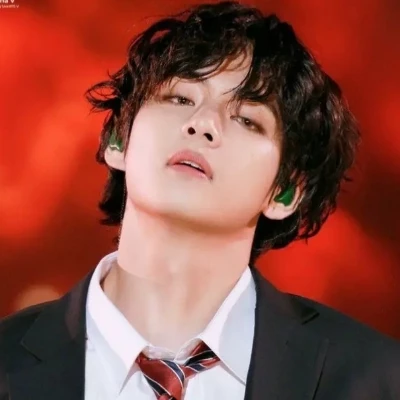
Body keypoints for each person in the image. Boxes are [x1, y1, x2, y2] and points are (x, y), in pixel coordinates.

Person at [1, 1, 400, 399]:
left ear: (285, 192)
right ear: (119, 139)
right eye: (180, 99)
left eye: (247, 119)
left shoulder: (372, 379)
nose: (203, 124)